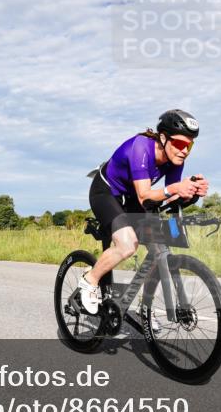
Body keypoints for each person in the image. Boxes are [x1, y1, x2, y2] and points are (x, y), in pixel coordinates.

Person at [79, 109, 209, 314]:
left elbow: (170, 195)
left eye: (189, 145)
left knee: (159, 247)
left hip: (132, 197)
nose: (184, 150)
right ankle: (90, 280)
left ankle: (145, 308)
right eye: (180, 144)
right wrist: (175, 189)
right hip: (107, 193)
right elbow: (145, 196)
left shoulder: (175, 159)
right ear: (164, 138)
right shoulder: (141, 148)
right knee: (127, 244)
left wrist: (191, 193)